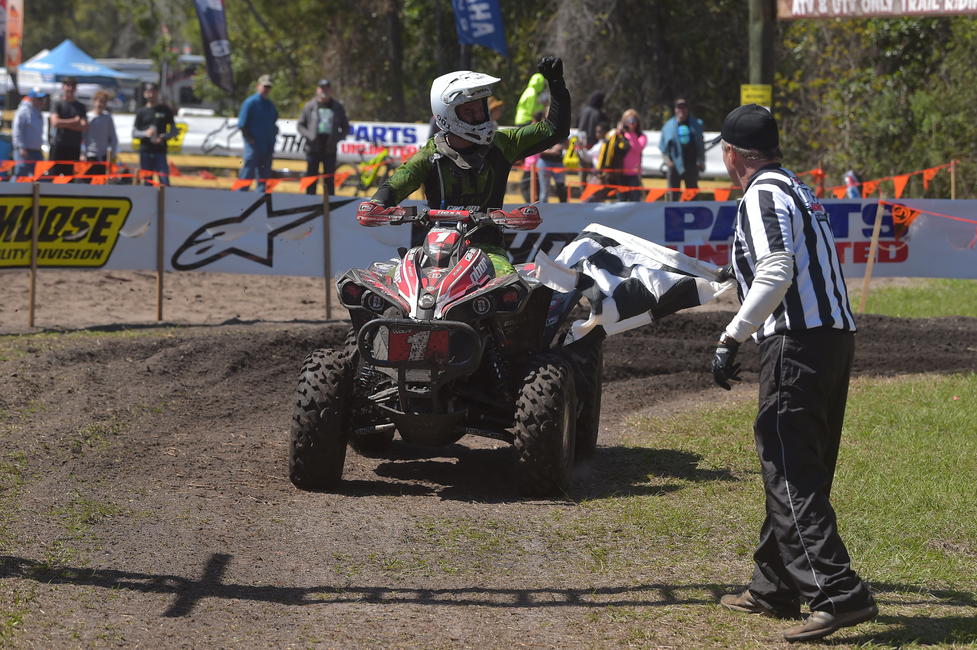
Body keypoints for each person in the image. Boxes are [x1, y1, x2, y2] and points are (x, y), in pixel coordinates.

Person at [711, 104, 876, 643]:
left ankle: (837, 592)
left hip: (797, 344)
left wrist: (732, 335)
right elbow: (785, 264)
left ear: (731, 153)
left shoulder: (759, 194)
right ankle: (774, 584)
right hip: (832, 340)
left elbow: (777, 269)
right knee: (800, 462)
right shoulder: (797, 189)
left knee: (788, 467)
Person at [361, 56, 570, 277]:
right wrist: (377, 204)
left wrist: (556, 85)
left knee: (508, 284)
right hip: (434, 250)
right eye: (469, 112)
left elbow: (554, 130)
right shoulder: (431, 155)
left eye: (480, 110)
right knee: (384, 283)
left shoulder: (503, 144)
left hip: (488, 252)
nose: (479, 116)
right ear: (447, 116)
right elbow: (399, 181)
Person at [296, 79, 349, 195]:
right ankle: (309, 203)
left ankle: (330, 205)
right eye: (322, 88)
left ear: (330, 90)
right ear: (317, 90)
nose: (324, 90)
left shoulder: (337, 107)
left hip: (329, 149)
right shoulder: (310, 106)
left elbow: (345, 127)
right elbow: (300, 125)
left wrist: (337, 138)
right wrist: (309, 135)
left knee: (329, 179)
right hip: (313, 148)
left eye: (327, 88)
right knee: (311, 178)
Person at [237, 74, 280, 192]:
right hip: (253, 147)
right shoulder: (250, 103)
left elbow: (274, 122)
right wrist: (250, 139)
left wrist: (273, 136)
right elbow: (242, 124)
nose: (266, 89)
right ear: (258, 86)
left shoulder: (270, 105)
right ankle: (237, 199)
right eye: (264, 86)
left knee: (263, 179)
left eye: (268, 87)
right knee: (247, 174)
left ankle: (259, 202)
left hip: (267, 147)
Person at [659, 98, 705, 201]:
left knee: (692, 194)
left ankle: (694, 213)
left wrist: (701, 160)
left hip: (692, 164)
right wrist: (667, 161)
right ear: (675, 109)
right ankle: (672, 215)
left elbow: (701, 144)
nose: (681, 110)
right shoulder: (668, 126)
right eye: (679, 107)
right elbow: (662, 147)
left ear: (687, 109)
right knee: (673, 194)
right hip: (674, 165)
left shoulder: (696, 124)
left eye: (684, 107)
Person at [132, 82, 177, 186]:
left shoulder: (165, 110)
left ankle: (166, 202)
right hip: (145, 151)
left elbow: (174, 131)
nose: (151, 94)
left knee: (164, 181)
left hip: (160, 151)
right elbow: (134, 133)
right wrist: (145, 133)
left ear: (157, 93)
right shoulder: (141, 111)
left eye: (153, 91)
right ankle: (147, 202)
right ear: (144, 94)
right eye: (148, 92)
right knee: (147, 181)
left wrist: (164, 137)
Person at [49, 78, 88, 180]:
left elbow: (83, 126)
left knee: (70, 177)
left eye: (73, 86)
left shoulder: (80, 106)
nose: (70, 88)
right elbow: (55, 122)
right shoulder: (57, 103)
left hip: (74, 146)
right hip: (58, 145)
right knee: (54, 175)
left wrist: (63, 123)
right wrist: (74, 122)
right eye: (68, 85)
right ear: (63, 87)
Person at [11, 88, 47, 182]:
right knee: (20, 175)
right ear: (32, 99)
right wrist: (21, 147)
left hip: (36, 151)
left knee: (39, 176)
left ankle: (36, 195)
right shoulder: (23, 111)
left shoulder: (38, 112)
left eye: (42, 99)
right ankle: (11, 194)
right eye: (39, 99)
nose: (41, 101)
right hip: (25, 151)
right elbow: (17, 131)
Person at [84, 89, 119, 178]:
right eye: (98, 101)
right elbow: (82, 137)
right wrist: (82, 153)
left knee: (101, 182)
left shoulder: (108, 117)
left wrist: (113, 155)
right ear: (94, 101)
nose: (100, 104)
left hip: (103, 157)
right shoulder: (88, 117)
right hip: (89, 155)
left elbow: (113, 138)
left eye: (103, 102)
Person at [616, 108, 646, 201]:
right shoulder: (618, 135)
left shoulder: (641, 136)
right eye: (628, 121)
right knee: (621, 200)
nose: (631, 123)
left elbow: (638, 149)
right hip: (620, 173)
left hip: (634, 174)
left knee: (635, 200)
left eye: (634, 121)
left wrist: (630, 134)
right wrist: (619, 131)